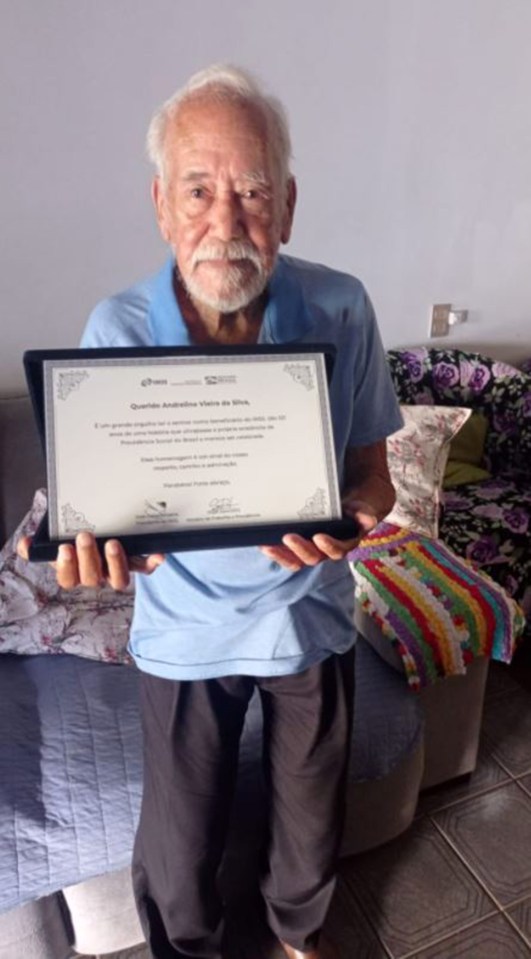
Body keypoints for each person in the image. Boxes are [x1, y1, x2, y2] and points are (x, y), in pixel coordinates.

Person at [19, 64, 401, 959]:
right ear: (160, 203)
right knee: (179, 850)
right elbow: (101, 531)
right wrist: (94, 559)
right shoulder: (113, 330)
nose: (224, 223)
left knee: (310, 834)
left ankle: (297, 945)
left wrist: (348, 520)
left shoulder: (342, 307)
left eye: (252, 192)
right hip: (182, 637)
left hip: (310, 619)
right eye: (199, 189)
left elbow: (376, 481)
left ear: (289, 204)